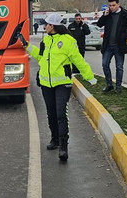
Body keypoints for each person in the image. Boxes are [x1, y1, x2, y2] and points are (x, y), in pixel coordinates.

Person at [24, 13, 97, 161]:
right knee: (51, 113)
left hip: (62, 84)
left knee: (60, 114)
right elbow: (41, 57)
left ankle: (63, 146)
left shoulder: (68, 40)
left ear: (53, 26)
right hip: (46, 84)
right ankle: (55, 139)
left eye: (47, 25)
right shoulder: (46, 40)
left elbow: (78, 60)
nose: (45, 27)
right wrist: (27, 46)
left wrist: (90, 78)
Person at [96, 0, 127, 94]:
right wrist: (105, 15)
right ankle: (109, 84)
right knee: (105, 64)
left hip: (119, 46)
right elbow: (99, 24)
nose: (112, 7)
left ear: (118, 4)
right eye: (110, 6)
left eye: (113, 5)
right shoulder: (108, 14)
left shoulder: (125, 14)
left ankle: (118, 87)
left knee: (119, 67)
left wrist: (124, 36)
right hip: (108, 45)